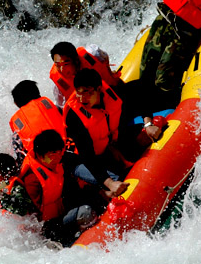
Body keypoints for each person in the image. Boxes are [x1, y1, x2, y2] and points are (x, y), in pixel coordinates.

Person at [63, 68, 162, 199]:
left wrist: (148, 123)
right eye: (78, 93)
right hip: (80, 160)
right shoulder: (74, 116)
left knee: (145, 137)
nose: (82, 98)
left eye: (86, 92)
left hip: (107, 145)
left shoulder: (112, 92)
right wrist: (110, 183)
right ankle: (98, 192)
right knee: (118, 179)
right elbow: (88, 156)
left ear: (98, 89)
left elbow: (139, 97)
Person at [0, 129, 100, 247]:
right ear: (40, 155)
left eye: (60, 153)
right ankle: (68, 241)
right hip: (46, 228)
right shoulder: (32, 179)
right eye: (53, 155)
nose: (58, 158)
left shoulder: (56, 163)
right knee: (85, 211)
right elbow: (28, 212)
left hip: (59, 214)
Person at [49, 41, 122, 111]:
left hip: (114, 90)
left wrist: (109, 73)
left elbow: (105, 57)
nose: (62, 70)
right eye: (57, 65)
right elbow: (63, 107)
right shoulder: (58, 85)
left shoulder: (92, 53)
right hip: (95, 110)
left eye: (66, 64)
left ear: (76, 60)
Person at [9, 80, 66, 166]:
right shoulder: (54, 108)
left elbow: (20, 157)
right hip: (69, 151)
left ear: (16, 104)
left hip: (46, 164)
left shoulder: (17, 131)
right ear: (38, 94)